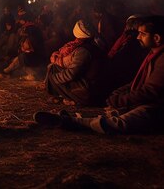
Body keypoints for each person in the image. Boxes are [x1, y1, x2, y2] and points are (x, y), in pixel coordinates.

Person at [35, 16, 164, 134]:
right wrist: (117, 94)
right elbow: (137, 82)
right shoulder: (152, 54)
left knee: (120, 123)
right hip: (141, 100)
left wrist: (118, 99)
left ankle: (69, 122)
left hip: (155, 107)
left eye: (142, 34)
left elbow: (151, 91)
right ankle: (71, 118)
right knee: (115, 113)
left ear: (157, 38)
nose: (138, 37)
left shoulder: (161, 58)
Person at [44, 20, 106, 106]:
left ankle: (73, 99)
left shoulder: (83, 51)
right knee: (54, 67)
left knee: (53, 70)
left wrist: (53, 79)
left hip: (88, 91)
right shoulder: (93, 45)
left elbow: (71, 74)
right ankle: (64, 96)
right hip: (94, 87)